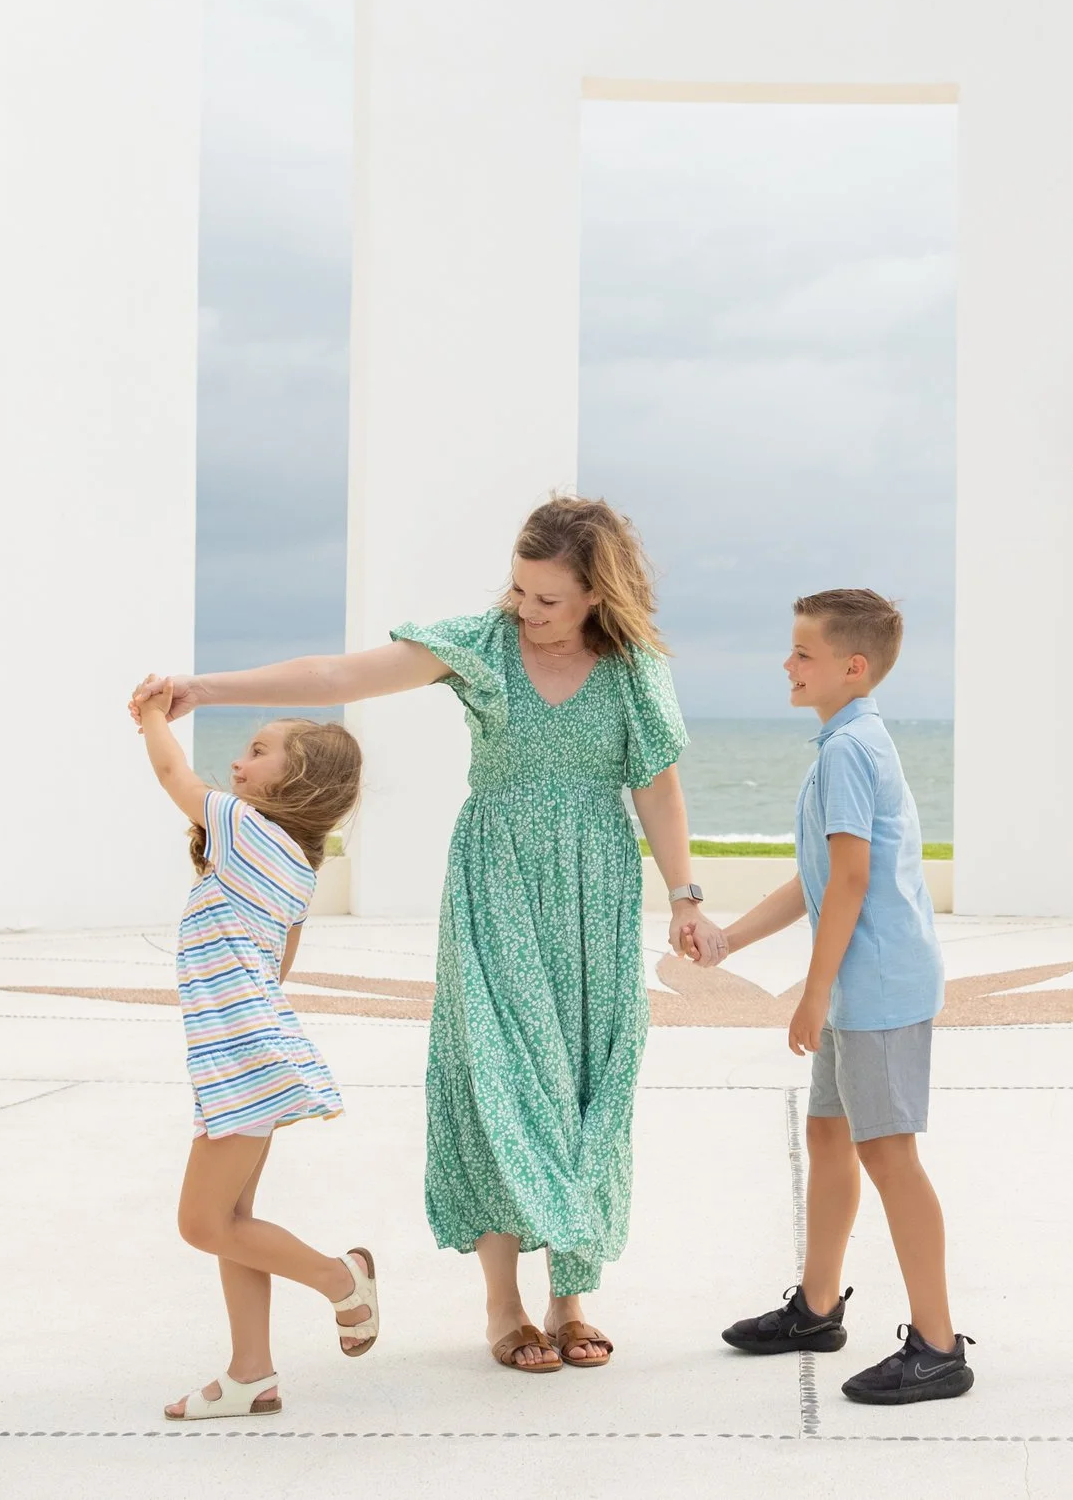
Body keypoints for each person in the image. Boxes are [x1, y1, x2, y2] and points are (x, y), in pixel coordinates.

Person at [132, 495, 705, 1375]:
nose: (528, 609)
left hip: (595, 891)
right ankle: (504, 1306)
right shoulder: (481, 643)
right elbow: (337, 678)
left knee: (590, 1080)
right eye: (520, 589)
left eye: (549, 598)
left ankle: (570, 1297)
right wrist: (203, 690)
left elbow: (656, 789)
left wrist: (686, 895)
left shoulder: (635, 670)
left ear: (597, 591)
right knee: (504, 1080)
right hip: (499, 883)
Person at [689, 590, 971, 1405]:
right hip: (860, 983)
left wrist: (809, 997)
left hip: (876, 985)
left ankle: (940, 1345)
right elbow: (816, 874)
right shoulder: (844, 742)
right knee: (828, 1131)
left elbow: (852, 881)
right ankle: (817, 1308)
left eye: (803, 653)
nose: (787, 663)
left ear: (853, 666)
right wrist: (731, 942)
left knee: (889, 1153)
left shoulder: (850, 750)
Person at [128, 690, 377, 1421]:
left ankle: (342, 1279)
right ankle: (251, 1373)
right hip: (242, 1053)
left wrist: (150, 714)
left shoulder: (240, 827)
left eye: (258, 751)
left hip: (240, 1059)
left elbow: (174, 775)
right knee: (234, 1218)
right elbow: (278, 965)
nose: (238, 762)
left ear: (297, 780)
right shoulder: (295, 863)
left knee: (203, 1222)